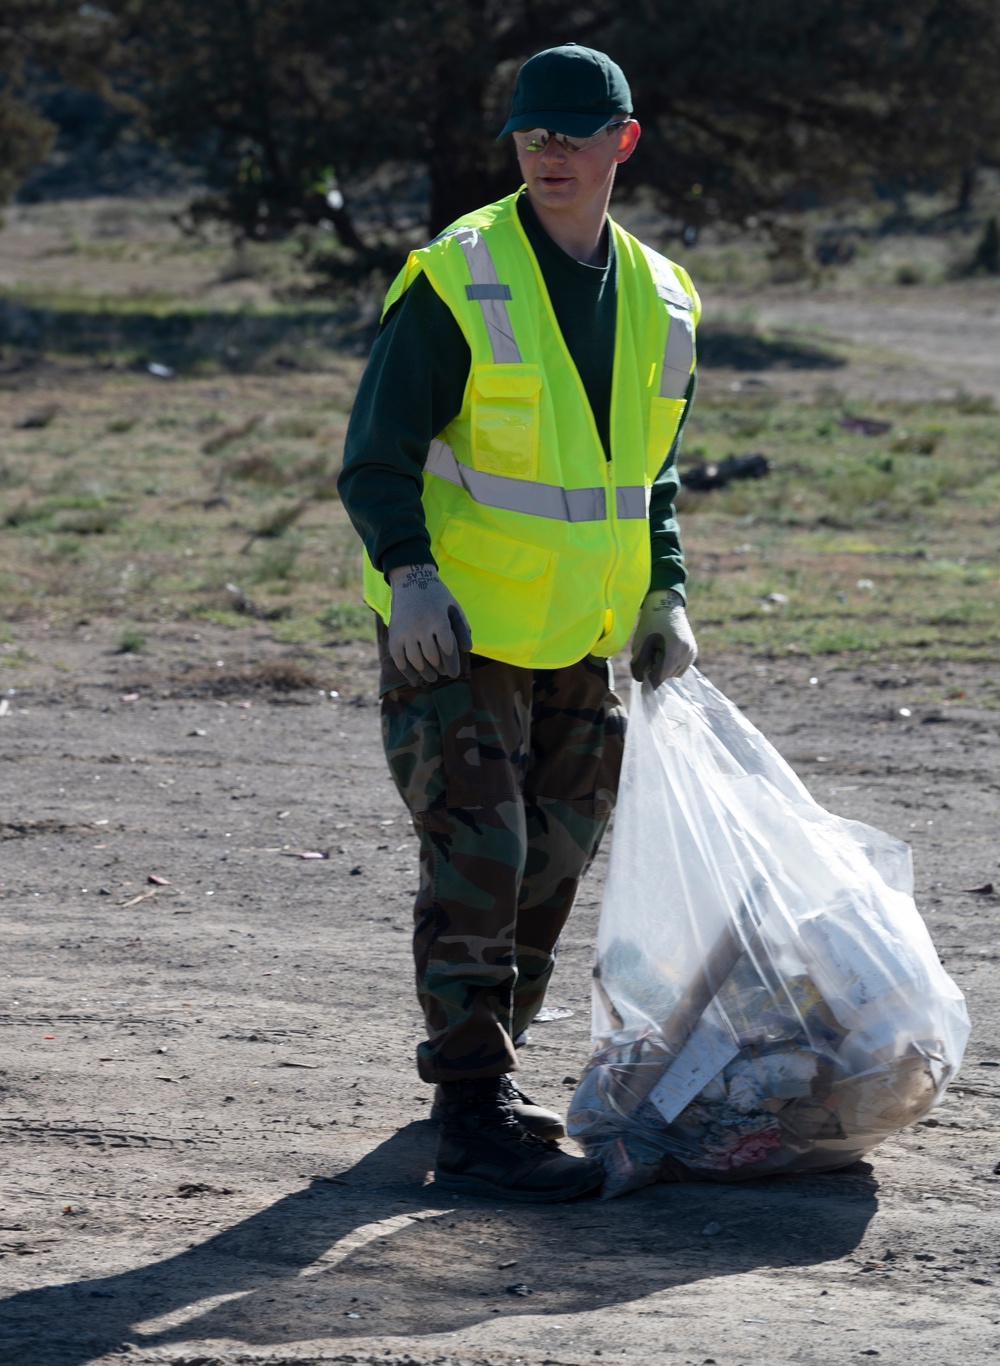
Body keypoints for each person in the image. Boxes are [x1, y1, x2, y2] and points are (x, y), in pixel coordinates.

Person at [338, 42, 700, 1202]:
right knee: (478, 858)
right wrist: (411, 578)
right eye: (529, 133)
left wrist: (665, 588)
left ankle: (478, 1076)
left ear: (621, 142)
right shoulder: (459, 274)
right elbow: (374, 458)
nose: (547, 151)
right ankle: (470, 1108)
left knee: (552, 859)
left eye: (570, 132)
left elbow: (649, 473)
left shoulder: (663, 293)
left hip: (579, 633)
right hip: (456, 631)